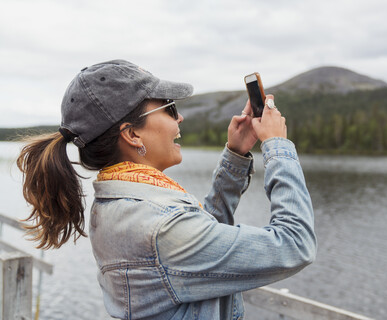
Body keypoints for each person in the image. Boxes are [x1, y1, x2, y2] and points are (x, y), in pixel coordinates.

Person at [17, 60, 316, 320]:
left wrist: (236, 155)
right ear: (132, 134)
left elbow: (201, 245)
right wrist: (277, 145)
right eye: (169, 108)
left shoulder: (118, 206)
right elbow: (294, 244)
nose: (179, 118)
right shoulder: (159, 227)